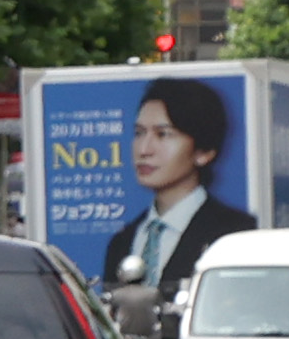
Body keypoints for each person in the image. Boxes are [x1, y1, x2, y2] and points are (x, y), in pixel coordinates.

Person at [99, 78, 254, 305]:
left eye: (163, 134)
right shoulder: (123, 241)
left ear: (204, 151)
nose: (144, 150)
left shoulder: (234, 234)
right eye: (139, 133)